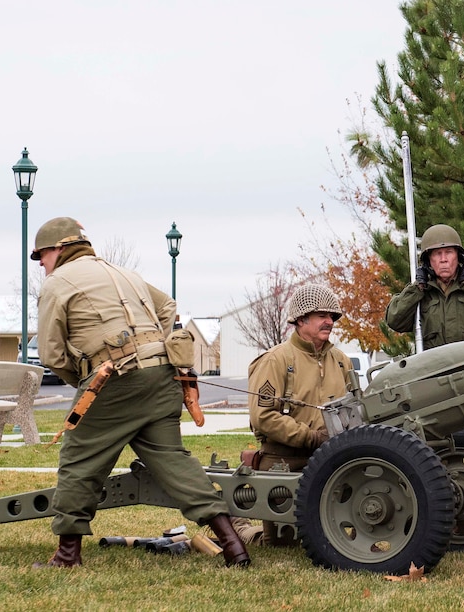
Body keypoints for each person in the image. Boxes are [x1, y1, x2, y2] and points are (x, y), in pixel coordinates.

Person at [32, 217, 249, 568]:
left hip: (115, 379)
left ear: (58, 249)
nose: (41, 264)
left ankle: (67, 555)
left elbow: (51, 354)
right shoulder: (124, 274)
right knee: (174, 461)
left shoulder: (58, 283)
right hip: (162, 377)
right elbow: (167, 307)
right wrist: (151, 347)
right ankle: (233, 543)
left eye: (41, 255)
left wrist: (84, 380)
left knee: (78, 462)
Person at [238, 283, 354, 546]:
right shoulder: (275, 360)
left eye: (332, 317)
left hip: (333, 461)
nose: (329, 322)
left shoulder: (341, 361)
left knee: (334, 540)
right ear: (301, 320)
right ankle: (239, 527)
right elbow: (263, 417)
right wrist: (312, 438)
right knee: (282, 544)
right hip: (284, 462)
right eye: (322, 316)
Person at [385, 224, 464, 349]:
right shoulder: (420, 292)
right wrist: (417, 288)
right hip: (438, 366)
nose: (443, 259)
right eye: (437, 253)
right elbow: (395, 321)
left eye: (449, 252)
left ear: (459, 257)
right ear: (428, 260)